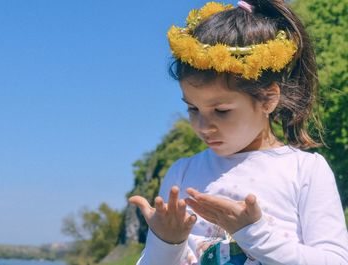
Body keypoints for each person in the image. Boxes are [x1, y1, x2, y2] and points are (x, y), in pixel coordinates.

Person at [129, 0, 348, 264]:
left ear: (268, 99)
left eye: (221, 111)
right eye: (193, 109)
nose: (203, 126)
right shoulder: (182, 174)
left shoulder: (305, 170)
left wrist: (253, 233)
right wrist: (167, 243)